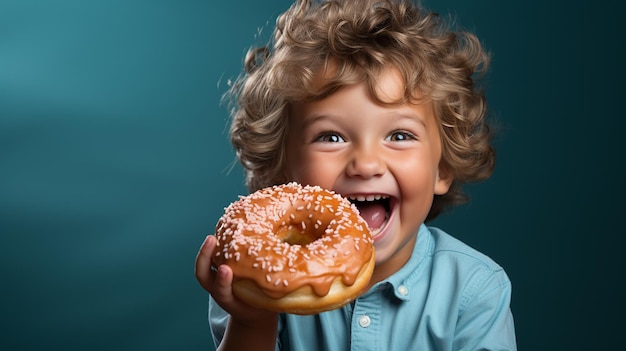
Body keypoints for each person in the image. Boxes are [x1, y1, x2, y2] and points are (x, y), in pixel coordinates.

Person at [195, 0, 517, 349]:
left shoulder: (475, 289)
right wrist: (251, 321)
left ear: (442, 168)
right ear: (284, 169)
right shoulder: (257, 279)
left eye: (399, 136)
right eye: (331, 137)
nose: (366, 164)